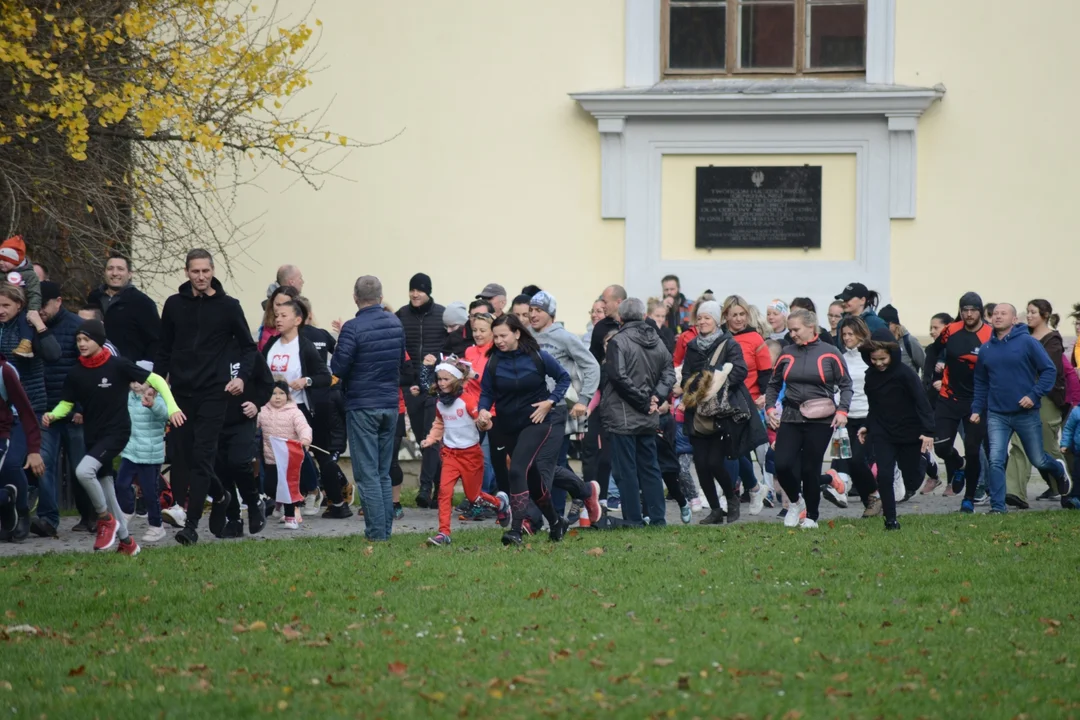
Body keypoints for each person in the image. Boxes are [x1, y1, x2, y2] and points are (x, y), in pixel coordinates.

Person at [43, 319, 184, 555]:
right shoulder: (76, 373)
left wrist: (172, 408)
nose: (81, 344)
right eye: (78, 340)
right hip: (93, 436)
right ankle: (128, 543)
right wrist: (53, 415)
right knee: (107, 487)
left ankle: (105, 519)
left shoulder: (118, 365)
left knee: (83, 472)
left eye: (86, 339)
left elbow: (157, 379)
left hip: (117, 433)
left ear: (99, 341)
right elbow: (66, 404)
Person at [155, 249, 257, 545]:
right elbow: (164, 350)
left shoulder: (228, 306)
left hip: (215, 392)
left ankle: (191, 525)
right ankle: (222, 495)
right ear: (187, 272)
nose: (200, 277)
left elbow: (249, 348)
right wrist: (155, 385)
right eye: (195, 271)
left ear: (213, 271)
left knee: (202, 456)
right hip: (181, 394)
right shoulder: (174, 305)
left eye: (205, 271)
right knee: (183, 456)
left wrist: (240, 378)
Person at [476, 314, 571, 545]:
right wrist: (482, 411)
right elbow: (487, 392)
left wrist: (550, 402)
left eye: (503, 335)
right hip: (508, 427)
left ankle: (516, 530)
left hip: (536, 422)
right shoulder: (494, 362)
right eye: (495, 336)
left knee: (517, 470)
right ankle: (557, 522)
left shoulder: (539, 356)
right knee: (532, 477)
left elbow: (563, 378)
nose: (498, 340)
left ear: (517, 333)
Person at [972, 303, 1070, 514]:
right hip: (997, 414)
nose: (997, 317)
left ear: (1014, 319)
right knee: (996, 459)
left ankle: (1058, 469)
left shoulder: (1027, 342)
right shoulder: (986, 349)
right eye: (995, 314)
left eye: (1003, 314)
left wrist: (1033, 395)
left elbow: (1048, 370)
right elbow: (980, 382)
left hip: (1025, 413)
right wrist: (976, 408)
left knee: (1038, 459)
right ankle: (998, 508)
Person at [765, 309, 852, 530]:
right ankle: (796, 502)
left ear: (811, 327)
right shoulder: (786, 352)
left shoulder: (830, 352)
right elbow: (773, 384)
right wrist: (769, 407)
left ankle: (812, 515)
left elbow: (845, 385)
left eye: (796, 329)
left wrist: (843, 410)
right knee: (782, 464)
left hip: (821, 419)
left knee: (809, 469)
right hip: (791, 416)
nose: (792, 333)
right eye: (790, 329)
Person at [333, 276, 405, 542]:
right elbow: (400, 362)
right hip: (389, 405)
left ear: (355, 297)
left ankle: (376, 535)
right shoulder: (395, 323)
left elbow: (338, 368)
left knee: (367, 474)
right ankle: (384, 530)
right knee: (383, 472)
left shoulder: (352, 328)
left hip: (363, 405)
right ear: (380, 295)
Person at [600, 298, 676, 527]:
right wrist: (656, 397)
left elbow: (618, 377)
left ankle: (633, 519)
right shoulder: (657, 340)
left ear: (621, 318)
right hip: (648, 414)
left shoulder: (617, 341)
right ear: (644, 316)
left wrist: (646, 401)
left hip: (624, 415)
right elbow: (669, 373)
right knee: (650, 467)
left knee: (626, 471)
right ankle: (657, 517)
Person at [421, 357, 510, 546]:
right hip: (450, 454)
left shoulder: (466, 401)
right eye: (439, 379)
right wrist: (431, 439)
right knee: (444, 493)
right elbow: (439, 423)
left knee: (474, 497)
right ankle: (443, 533)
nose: (442, 383)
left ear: (456, 380)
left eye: (446, 379)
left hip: (470, 454)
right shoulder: (440, 403)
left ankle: (500, 503)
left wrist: (484, 422)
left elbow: (481, 419)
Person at [529, 291, 601, 518]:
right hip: (532, 410)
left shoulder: (565, 337)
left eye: (538, 310)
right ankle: (581, 492)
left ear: (551, 313)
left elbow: (591, 366)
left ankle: (556, 514)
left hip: (558, 409)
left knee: (554, 462)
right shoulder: (526, 336)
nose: (533, 315)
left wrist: (584, 400)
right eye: (531, 310)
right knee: (536, 463)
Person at [261, 300, 336, 517]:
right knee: (273, 455)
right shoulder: (271, 345)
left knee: (297, 454)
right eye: (276, 315)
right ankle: (281, 499)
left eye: (284, 315)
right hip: (270, 409)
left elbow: (324, 376)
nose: (278, 320)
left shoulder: (304, 346)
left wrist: (306, 381)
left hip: (297, 407)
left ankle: (312, 490)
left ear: (297, 320)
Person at [680, 300, 751, 524]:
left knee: (714, 462)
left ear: (717, 320)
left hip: (721, 411)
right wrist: (694, 387)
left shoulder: (728, 344)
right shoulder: (692, 346)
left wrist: (716, 385)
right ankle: (715, 510)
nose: (702, 321)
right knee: (701, 465)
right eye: (699, 318)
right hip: (697, 412)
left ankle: (731, 498)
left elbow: (740, 370)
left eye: (706, 317)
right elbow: (685, 375)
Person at [32, 282, 93, 537]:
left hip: (74, 413)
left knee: (82, 467)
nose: (40, 311)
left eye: (44, 305)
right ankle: (47, 519)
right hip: (46, 410)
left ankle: (91, 516)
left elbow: (88, 369)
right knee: (43, 463)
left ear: (58, 301)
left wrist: (81, 407)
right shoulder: (33, 327)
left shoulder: (77, 327)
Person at [858, 336, 936, 530]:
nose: (879, 363)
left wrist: (928, 431)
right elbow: (874, 405)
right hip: (883, 431)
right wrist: (867, 426)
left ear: (891, 355)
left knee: (911, 477)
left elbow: (922, 402)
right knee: (884, 475)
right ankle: (890, 520)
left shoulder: (905, 374)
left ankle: (925, 460)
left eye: (883, 359)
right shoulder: (871, 375)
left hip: (909, 431)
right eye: (874, 359)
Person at [0, 282, 59, 540]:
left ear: (19, 305)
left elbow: (54, 354)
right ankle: (8, 511)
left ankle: (24, 511)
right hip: (2, 408)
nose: (1, 311)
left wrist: (40, 327)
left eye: (5, 305)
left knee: (15, 462)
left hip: (28, 406)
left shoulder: (28, 327)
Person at [924, 292, 992, 512]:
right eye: (965, 310)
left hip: (976, 401)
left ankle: (969, 499)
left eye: (973, 309)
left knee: (973, 450)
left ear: (980, 311)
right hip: (948, 398)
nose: (969, 314)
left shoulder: (990, 334)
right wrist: (932, 378)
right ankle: (958, 463)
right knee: (942, 447)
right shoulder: (951, 330)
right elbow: (932, 351)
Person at [1004, 300, 1070, 506]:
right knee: (1018, 443)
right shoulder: (1021, 335)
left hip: (1046, 398)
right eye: (1028, 312)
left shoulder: (1052, 341)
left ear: (1045, 315)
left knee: (1047, 447)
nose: (1029, 315)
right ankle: (1015, 492)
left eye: (1033, 312)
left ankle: (1067, 487)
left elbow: (1045, 369)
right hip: (1020, 396)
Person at [396, 272, 447, 508]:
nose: (415, 294)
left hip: (436, 387)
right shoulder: (401, 316)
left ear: (429, 292)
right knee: (423, 438)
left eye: (420, 290)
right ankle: (436, 488)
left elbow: (450, 348)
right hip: (410, 386)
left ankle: (428, 488)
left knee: (431, 437)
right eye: (412, 289)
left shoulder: (442, 315)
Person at [215, 342, 274, 538]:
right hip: (213, 420)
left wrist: (256, 404)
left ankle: (255, 502)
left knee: (238, 462)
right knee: (221, 469)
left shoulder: (248, 353)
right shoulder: (207, 351)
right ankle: (234, 519)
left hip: (242, 419)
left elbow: (267, 384)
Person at [720, 295, 772, 513]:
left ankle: (730, 494)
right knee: (735, 450)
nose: (739, 319)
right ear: (726, 316)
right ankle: (753, 486)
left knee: (732, 449)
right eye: (734, 315)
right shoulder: (719, 337)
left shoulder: (755, 339)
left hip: (747, 402)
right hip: (721, 401)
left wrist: (765, 396)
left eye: (743, 314)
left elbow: (767, 373)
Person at [827, 316, 881, 516]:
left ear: (861, 334)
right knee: (845, 458)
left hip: (866, 416)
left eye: (851, 334)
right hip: (845, 416)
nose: (847, 338)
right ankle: (868, 498)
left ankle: (875, 493)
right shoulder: (840, 357)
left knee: (858, 459)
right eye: (844, 335)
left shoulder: (870, 358)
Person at [116, 364, 169, 543]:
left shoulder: (159, 397)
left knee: (149, 492)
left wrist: (153, 404)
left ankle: (156, 526)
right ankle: (127, 510)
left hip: (150, 454)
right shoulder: (129, 397)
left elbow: (165, 414)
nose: (136, 385)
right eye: (132, 381)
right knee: (121, 484)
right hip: (131, 451)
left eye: (140, 381)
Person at [85, 252, 161, 364]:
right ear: (104, 272)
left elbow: (156, 341)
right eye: (110, 268)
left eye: (120, 269)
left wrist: (144, 370)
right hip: (95, 367)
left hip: (128, 369)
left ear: (130, 274)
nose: (115, 273)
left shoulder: (142, 302)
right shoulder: (94, 297)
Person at [256, 380, 313, 529]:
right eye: (274, 393)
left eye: (281, 393)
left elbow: (303, 427)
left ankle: (291, 517)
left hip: (289, 459)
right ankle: (278, 501)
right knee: (269, 486)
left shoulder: (294, 411)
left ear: (287, 395)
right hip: (271, 458)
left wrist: (305, 439)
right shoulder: (262, 411)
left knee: (288, 488)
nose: (277, 397)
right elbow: (253, 426)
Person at [0, 355, 45, 542]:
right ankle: (6, 500)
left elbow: (26, 411)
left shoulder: (5, 371)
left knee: (10, 465)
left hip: (7, 428)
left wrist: (34, 449)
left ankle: (22, 510)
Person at [0, 235, 43, 359]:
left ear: (16, 260)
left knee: (26, 320)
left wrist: (33, 309)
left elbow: (35, 293)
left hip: (24, 308)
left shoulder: (29, 275)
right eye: (0, 259)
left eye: (5, 260)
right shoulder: (1, 274)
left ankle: (26, 343)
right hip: (6, 307)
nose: (1, 263)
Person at [877, 304, 925, 376]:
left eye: (887, 324)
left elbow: (926, 365)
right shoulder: (879, 342)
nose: (883, 327)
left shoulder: (909, 341)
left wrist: (923, 385)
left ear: (895, 323)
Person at [589, 285, 625, 364]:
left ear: (618, 302)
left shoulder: (635, 324)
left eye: (605, 302)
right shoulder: (600, 327)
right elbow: (593, 361)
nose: (603, 306)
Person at [257, 285, 300, 351]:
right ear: (272, 303)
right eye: (278, 304)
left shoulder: (300, 330)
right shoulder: (266, 326)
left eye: (285, 305)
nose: (280, 308)